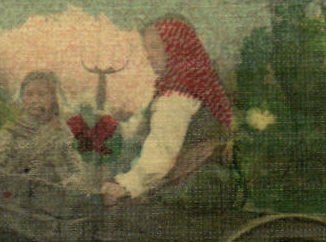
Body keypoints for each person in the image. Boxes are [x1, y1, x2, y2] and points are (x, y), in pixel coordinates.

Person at [99, 17, 241, 208]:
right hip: (218, 184)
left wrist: (126, 186)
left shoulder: (178, 93)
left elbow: (161, 153)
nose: (148, 55)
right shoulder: (200, 83)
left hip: (190, 190)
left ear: (177, 47)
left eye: (155, 47)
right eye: (146, 48)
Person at [0, 70, 97, 190]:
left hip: (51, 194)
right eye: (29, 94)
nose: (34, 100)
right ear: (23, 98)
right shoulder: (11, 130)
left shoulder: (61, 132)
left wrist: (70, 183)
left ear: (53, 99)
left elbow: (77, 170)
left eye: (41, 95)